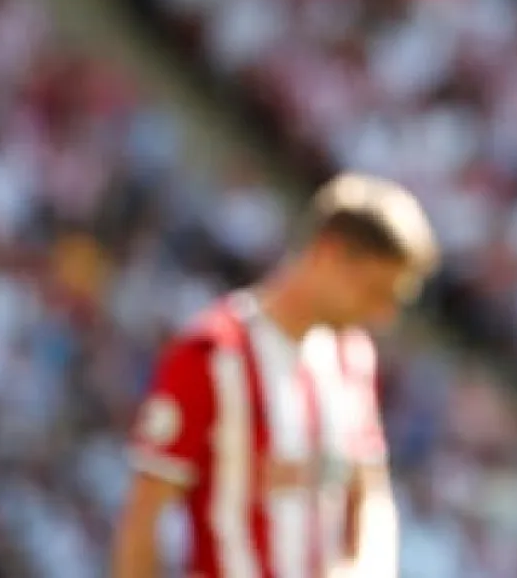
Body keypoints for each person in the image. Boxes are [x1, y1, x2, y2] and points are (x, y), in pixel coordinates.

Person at [112, 172, 439, 578]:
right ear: (329, 254)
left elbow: (370, 493)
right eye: (374, 291)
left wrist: (366, 568)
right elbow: (143, 519)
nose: (382, 314)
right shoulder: (212, 354)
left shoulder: (352, 356)